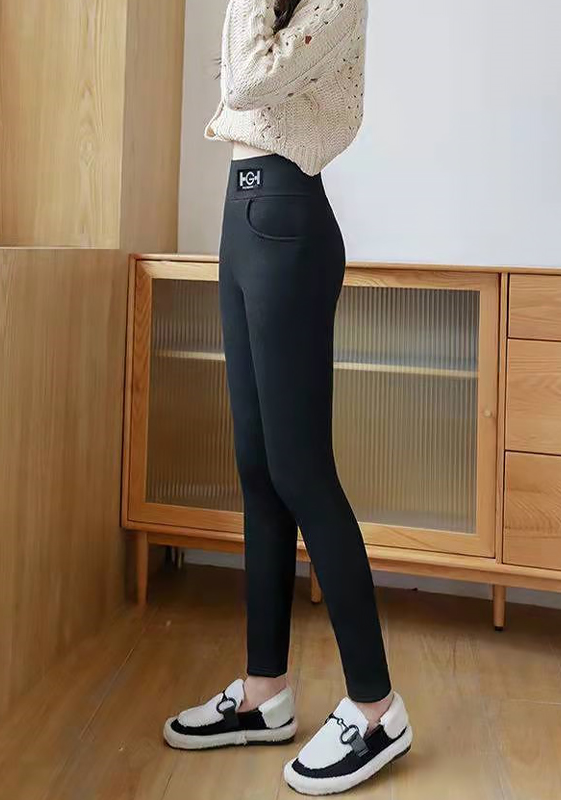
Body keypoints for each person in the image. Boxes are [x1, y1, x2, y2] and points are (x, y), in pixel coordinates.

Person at [163, 0, 412, 793]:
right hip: (243, 216)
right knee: (258, 466)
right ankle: (264, 691)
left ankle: (376, 708)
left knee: (302, 470)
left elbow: (246, 79)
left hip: (287, 221)